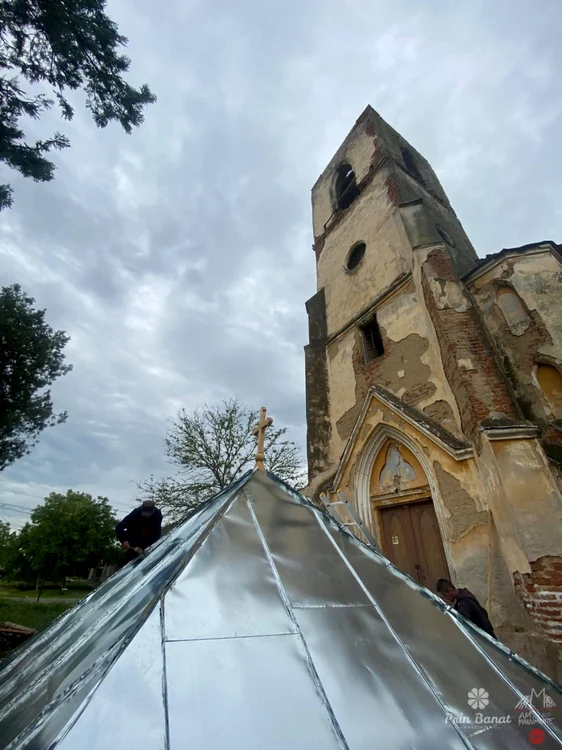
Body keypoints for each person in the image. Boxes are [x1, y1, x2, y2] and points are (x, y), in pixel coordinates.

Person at [116, 500, 163, 564]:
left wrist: (150, 546)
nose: (146, 516)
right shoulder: (136, 513)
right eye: (144, 514)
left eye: (148, 514)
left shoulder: (157, 515)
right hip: (132, 542)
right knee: (130, 562)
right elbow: (120, 527)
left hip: (147, 543)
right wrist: (124, 540)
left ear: (153, 510)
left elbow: (157, 534)